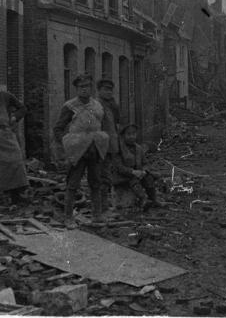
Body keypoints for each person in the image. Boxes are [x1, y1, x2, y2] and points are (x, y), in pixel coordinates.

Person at [53, 73, 109, 229]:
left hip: (94, 149)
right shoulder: (70, 106)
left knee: (96, 183)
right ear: (76, 89)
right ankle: (68, 217)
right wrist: (68, 144)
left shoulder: (97, 106)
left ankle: (97, 215)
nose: (85, 90)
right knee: (73, 184)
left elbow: (101, 125)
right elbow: (58, 128)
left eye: (87, 86)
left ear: (91, 88)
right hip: (77, 151)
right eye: (81, 87)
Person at [113, 123, 164, 210]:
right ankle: (143, 198)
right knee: (132, 179)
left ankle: (153, 199)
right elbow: (119, 167)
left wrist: (144, 171)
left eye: (133, 134)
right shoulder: (118, 149)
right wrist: (133, 172)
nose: (131, 136)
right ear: (123, 136)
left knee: (149, 177)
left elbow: (145, 163)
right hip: (121, 176)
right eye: (128, 134)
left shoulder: (138, 148)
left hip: (138, 174)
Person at [96, 78, 120, 216]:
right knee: (101, 177)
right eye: (105, 89)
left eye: (110, 89)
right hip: (100, 146)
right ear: (99, 91)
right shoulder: (97, 105)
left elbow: (115, 124)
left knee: (106, 176)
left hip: (110, 145)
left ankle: (104, 206)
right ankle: (102, 208)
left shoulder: (111, 105)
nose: (108, 92)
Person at [0, 90, 28, 205]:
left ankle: (16, 195)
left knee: (15, 160)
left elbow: (22, 108)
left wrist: (14, 118)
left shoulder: (4, 95)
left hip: (4, 133)